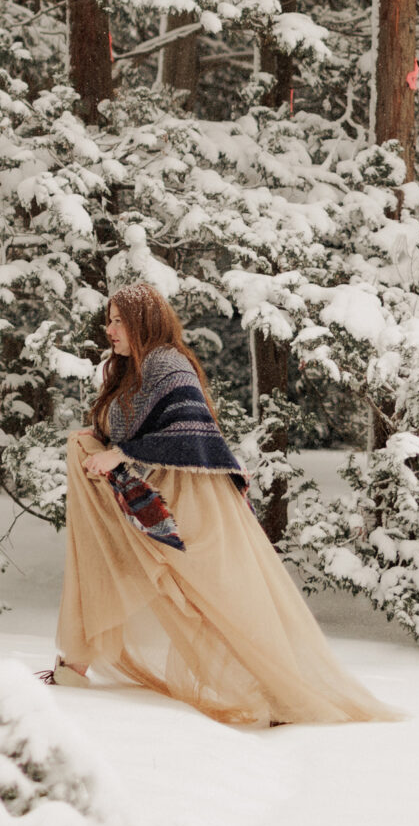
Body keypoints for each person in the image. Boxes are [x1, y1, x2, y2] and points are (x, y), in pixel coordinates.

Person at [52, 282, 397, 729]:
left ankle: (284, 695)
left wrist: (120, 454)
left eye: (119, 320)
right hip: (155, 496)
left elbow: (193, 431)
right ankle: (77, 660)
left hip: (192, 501)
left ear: (143, 322)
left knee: (222, 600)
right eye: (109, 319)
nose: (109, 329)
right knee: (155, 580)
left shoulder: (166, 361)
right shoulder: (126, 370)